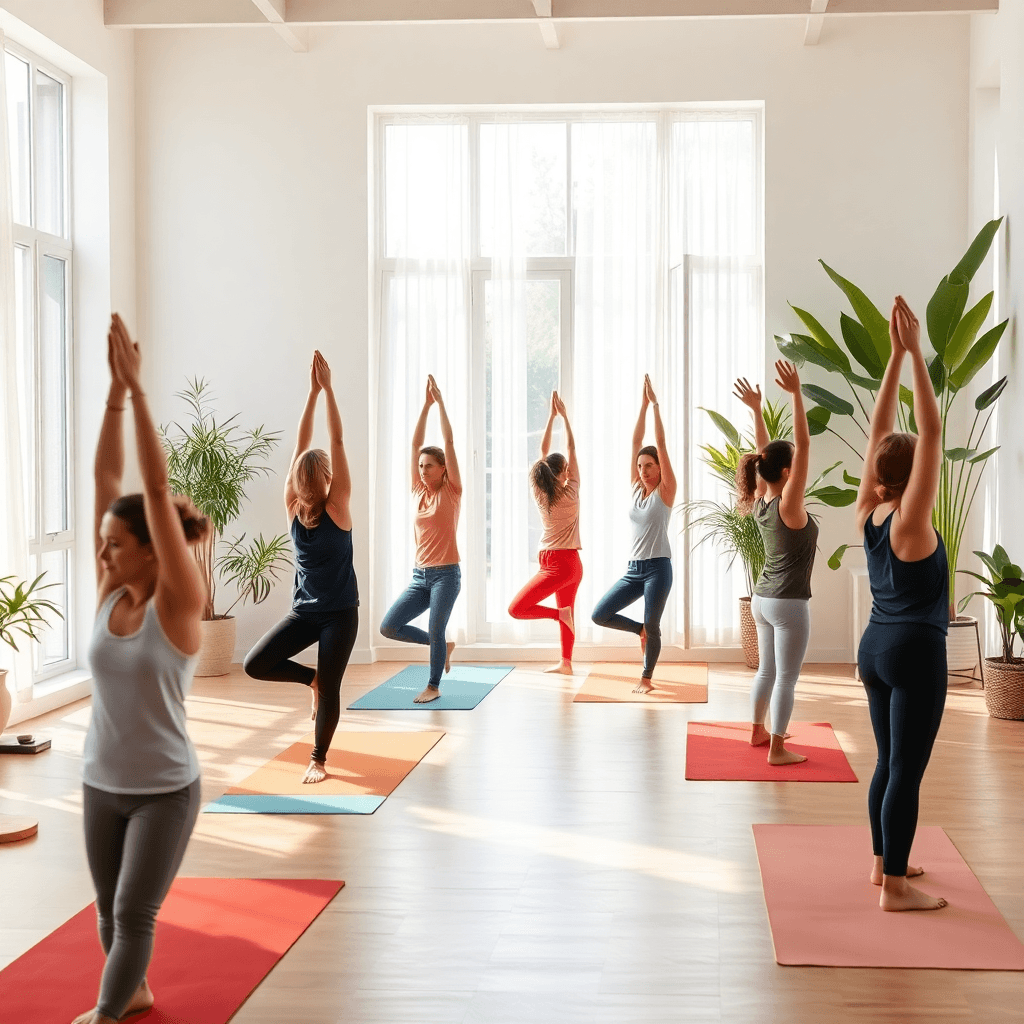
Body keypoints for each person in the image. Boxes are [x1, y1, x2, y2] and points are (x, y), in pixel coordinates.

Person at [76, 314, 209, 1024]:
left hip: (164, 787)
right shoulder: (110, 592)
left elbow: (153, 495)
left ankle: (104, 1016)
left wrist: (141, 391)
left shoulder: (179, 603)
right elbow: (105, 476)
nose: (102, 556)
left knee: (132, 911)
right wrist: (111, 397)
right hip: (100, 780)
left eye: (115, 545)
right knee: (106, 908)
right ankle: (133, 992)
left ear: (155, 550)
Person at [855, 296, 948, 912]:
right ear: (914, 477)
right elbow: (931, 431)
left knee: (889, 762)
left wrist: (892, 361)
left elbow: (878, 432)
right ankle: (894, 889)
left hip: (875, 648)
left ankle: (883, 863)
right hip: (915, 651)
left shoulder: (869, 510)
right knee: (906, 771)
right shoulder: (911, 520)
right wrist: (914, 354)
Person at [243, 350, 358, 784]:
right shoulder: (329, 504)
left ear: (296, 480)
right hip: (306, 611)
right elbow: (337, 442)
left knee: (332, 688)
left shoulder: (298, 504)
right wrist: (327, 391)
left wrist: (312, 395)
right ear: (325, 478)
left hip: (341, 614)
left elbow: (299, 446)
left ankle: (319, 759)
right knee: (255, 663)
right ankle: (311, 679)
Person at [734, 362, 816, 766]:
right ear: (789, 471)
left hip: (761, 600)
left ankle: (756, 731)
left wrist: (756, 410)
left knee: (766, 669)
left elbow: (766, 453)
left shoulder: (764, 498)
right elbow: (801, 443)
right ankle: (778, 748)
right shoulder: (789, 503)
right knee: (786, 676)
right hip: (788, 603)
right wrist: (796, 395)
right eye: (795, 463)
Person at [591, 375, 677, 693]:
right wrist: (640, 407)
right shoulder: (634, 489)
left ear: (659, 468)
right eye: (640, 465)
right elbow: (633, 442)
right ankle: (639, 630)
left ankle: (646, 677)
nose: (643, 470)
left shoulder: (666, 491)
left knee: (654, 623)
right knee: (600, 614)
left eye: (649, 465)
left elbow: (662, 444)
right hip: (633, 570)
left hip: (658, 568)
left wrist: (655, 406)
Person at [379, 375, 462, 703]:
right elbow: (414, 445)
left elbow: (450, 443)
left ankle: (433, 685)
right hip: (419, 577)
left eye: (430, 466)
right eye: (421, 466)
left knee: (436, 628)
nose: (423, 470)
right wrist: (424, 407)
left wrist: (440, 404)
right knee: (389, 627)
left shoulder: (452, 492)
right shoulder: (417, 492)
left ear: (443, 469)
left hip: (446, 575)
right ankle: (441, 647)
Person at [508, 391, 582, 675]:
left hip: (555, 563)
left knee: (516, 608)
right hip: (573, 564)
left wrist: (550, 418)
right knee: (568, 611)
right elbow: (572, 451)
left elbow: (541, 455)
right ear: (564, 473)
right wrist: (564, 419)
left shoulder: (540, 493)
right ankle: (566, 663)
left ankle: (558, 616)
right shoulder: (573, 491)